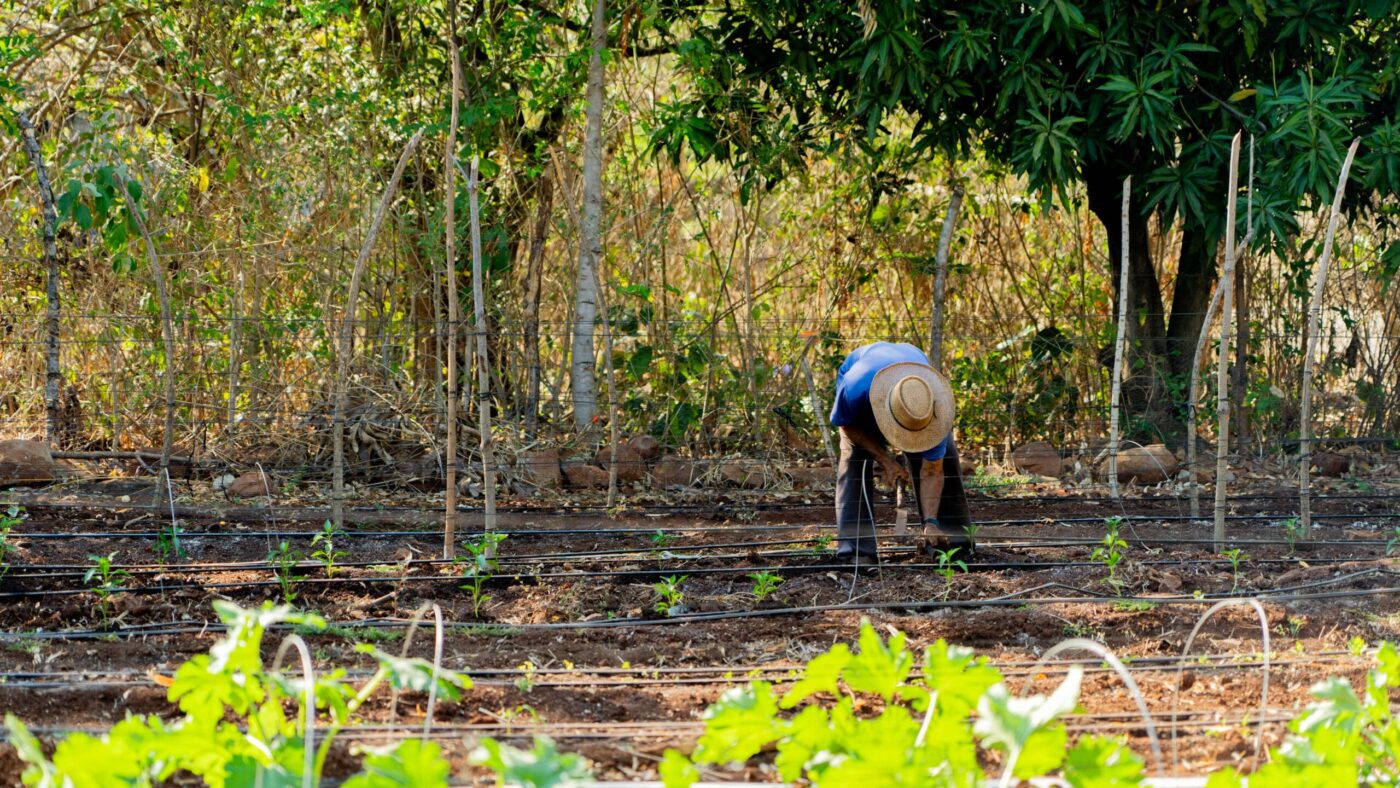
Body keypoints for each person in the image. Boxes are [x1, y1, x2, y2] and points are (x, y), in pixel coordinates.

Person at [830, 341, 974, 563]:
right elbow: (847, 426)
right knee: (854, 460)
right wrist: (886, 462)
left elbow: (933, 471)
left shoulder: (934, 406)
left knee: (946, 459)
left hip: (914, 381)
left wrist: (931, 522)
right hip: (866, 398)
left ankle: (951, 544)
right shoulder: (855, 387)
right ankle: (855, 551)